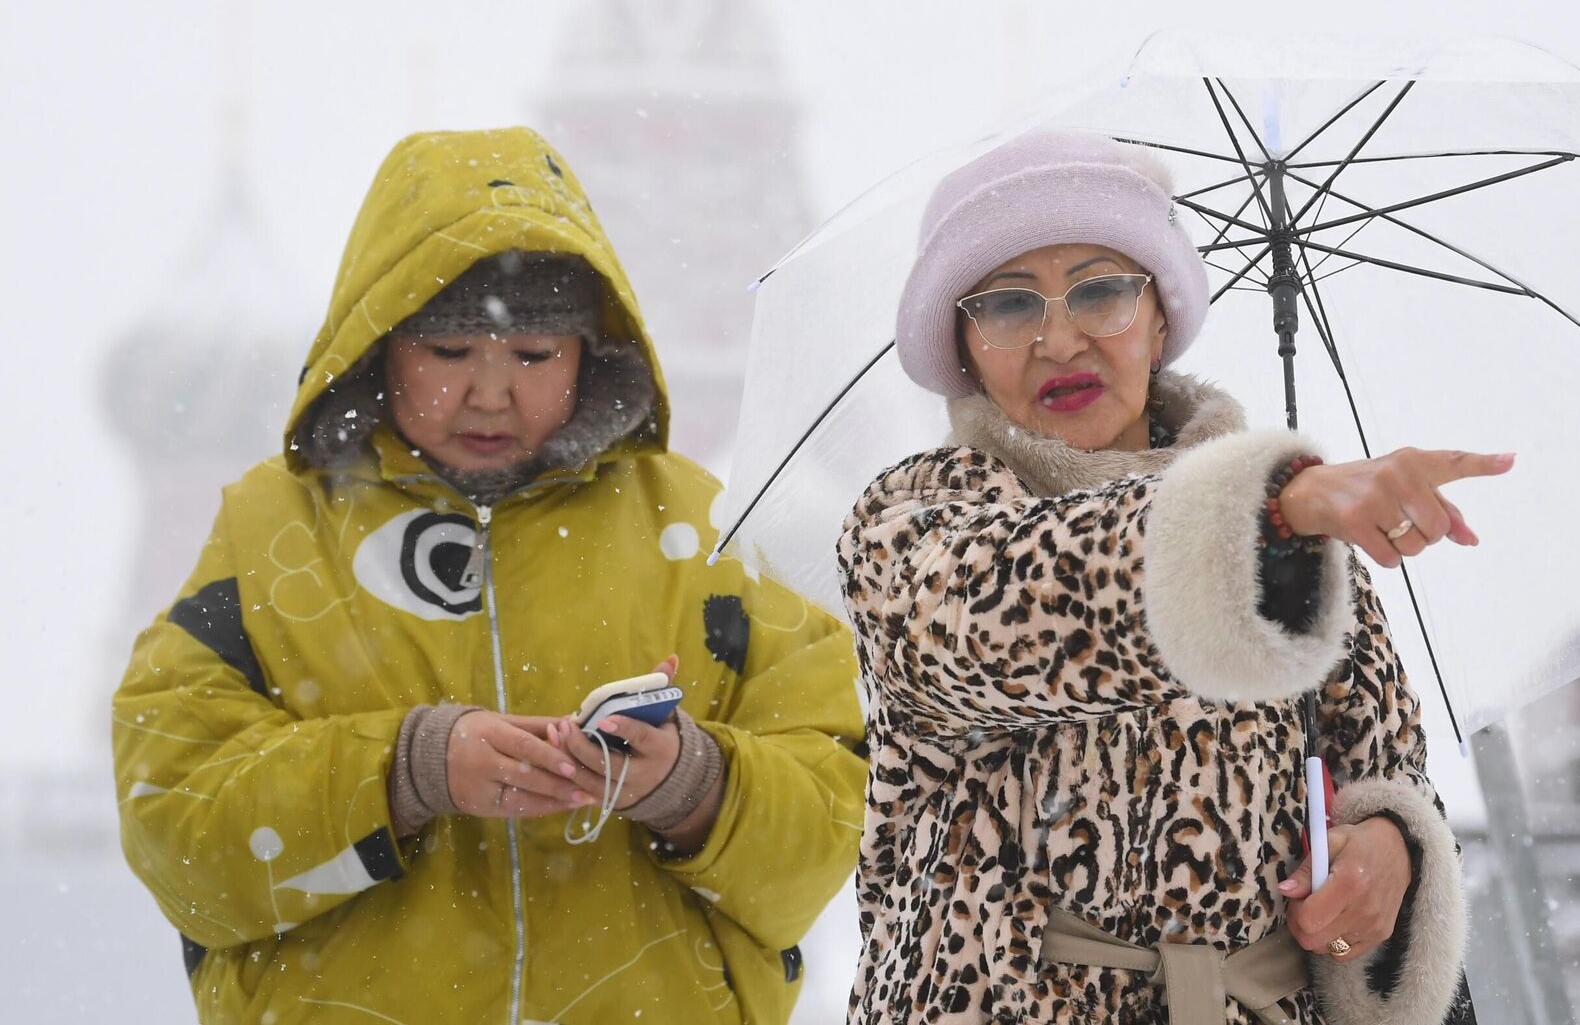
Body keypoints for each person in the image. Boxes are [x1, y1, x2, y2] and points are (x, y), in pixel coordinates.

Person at [112, 126, 866, 1023]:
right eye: (449, 352)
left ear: (592, 350)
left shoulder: (708, 535)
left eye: (535, 355)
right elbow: (175, 827)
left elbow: (840, 819)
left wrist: (690, 784)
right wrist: (406, 770)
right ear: (380, 342)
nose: (491, 394)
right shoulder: (274, 533)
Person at [837, 129, 1494, 1024]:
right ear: (963, 341)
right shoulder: (911, 521)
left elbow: (1387, 768)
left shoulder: (1292, 521)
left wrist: (1389, 852)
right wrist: (1267, 510)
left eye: (1102, 290)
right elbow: (1005, 610)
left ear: (1159, 319)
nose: (1057, 338)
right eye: (1007, 305)